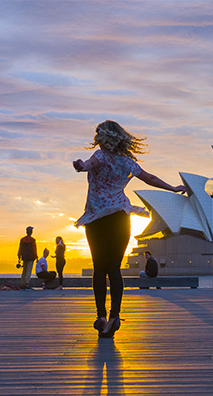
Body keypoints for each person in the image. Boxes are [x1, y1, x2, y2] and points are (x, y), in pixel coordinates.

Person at [74, 120, 186, 338]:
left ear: (104, 137)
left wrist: (81, 166)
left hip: (98, 219)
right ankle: (114, 317)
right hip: (120, 218)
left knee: (99, 267)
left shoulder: (100, 156)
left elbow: (89, 164)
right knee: (114, 268)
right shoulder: (128, 163)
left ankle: (101, 316)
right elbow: (150, 178)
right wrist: (172, 188)